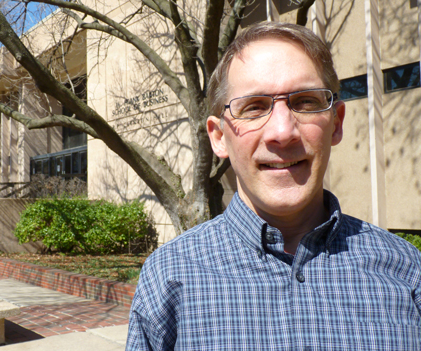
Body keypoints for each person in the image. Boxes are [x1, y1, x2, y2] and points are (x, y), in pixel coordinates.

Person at [126, 21, 421, 350]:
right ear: (219, 137)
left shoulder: (406, 270)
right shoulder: (167, 278)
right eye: (254, 107)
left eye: (306, 101)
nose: (282, 131)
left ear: (336, 123)